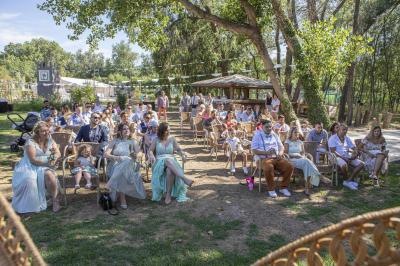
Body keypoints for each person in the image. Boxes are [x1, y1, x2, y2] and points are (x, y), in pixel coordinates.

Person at [12, 121, 61, 213]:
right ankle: (31, 203)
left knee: (49, 175)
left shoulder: (50, 139)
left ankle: (55, 201)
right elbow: (33, 160)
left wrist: (54, 158)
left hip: (45, 164)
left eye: (48, 130)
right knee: (29, 179)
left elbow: (58, 153)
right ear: (37, 132)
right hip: (30, 166)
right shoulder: (30, 142)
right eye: (43, 131)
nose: (47, 133)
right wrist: (49, 162)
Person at [148, 122, 193, 204]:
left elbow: (178, 149)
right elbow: (150, 150)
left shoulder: (172, 138)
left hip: (172, 161)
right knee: (167, 160)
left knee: (169, 170)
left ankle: (168, 195)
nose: (169, 132)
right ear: (162, 131)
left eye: (169, 130)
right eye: (167, 130)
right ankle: (184, 178)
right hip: (159, 162)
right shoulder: (156, 140)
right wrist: (151, 155)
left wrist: (182, 154)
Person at [105, 123, 146, 209]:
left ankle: (111, 182)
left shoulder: (133, 141)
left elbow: (140, 153)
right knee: (122, 170)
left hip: (131, 164)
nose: (127, 130)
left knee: (127, 160)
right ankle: (123, 199)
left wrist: (136, 155)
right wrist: (117, 157)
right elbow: (106, 154)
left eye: (127, 129)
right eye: (124, 129)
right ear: (119, 131)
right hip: (116, 164)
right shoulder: (115, 141)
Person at [251, 119, 293, 198]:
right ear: (262, 127)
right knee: (269, 167)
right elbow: (254, 150)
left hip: (276, 158)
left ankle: (283, 188)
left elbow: (281, 147)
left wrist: (280, 154)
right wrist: (267, 153)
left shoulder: (274, 134)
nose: (269, 128)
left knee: (289, 166)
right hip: (263, 159)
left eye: (270, 127)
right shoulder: (257, 135)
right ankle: (271, 189)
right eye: (267, 127)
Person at [285, 127, 320, 196]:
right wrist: (295, 156)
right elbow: (286, 154)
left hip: (301, 159)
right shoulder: (287, 141)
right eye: (295, 132)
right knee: (306, 162)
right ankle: (318, 177)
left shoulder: (300, 142)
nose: (297, 134)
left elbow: (303, 153)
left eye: (297, 132)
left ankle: (307, 188)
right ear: (291, 133)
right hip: (291, 160)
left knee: (306, 164)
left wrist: (301, 156)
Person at [328, 124, 364, 190]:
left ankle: (348, 180)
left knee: (361, 164)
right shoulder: (332, 138)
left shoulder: (346, 138)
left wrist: (355, 152)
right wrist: (344, 158)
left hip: (347, 156)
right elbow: (333, 152)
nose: (345, 131)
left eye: (346, 130)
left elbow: (353, 147)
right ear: (338, 130)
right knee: (344, 164)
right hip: (335, 157)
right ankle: (347, 180)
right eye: (343, 129)